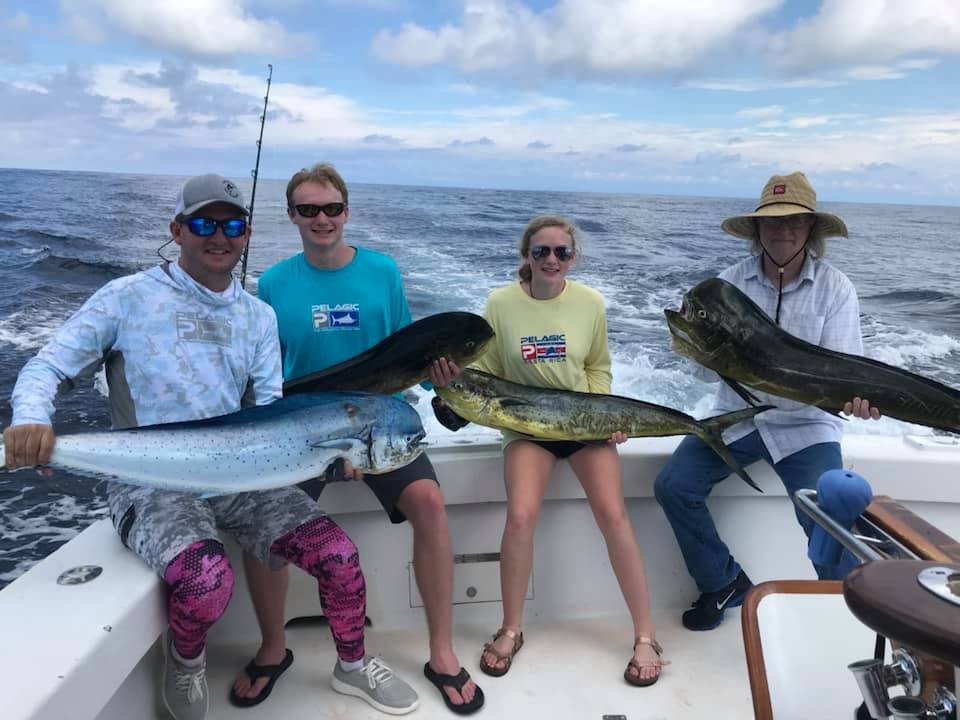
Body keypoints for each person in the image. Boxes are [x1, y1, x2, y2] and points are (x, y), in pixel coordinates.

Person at [3, 174, 419, 720]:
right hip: (149, 479)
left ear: (246, 233)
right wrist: (31, 419)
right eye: (203, 223)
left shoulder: (257, 315)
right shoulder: (126, 297)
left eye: (233, 224)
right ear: (177, 230)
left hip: (243, 472)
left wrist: (333, 457)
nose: (218, 236)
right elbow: (49, 365)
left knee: (339, 557)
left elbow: (273, 410)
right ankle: (187, 660)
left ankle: (352, 665)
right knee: (205, 580)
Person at [231, 163, 484, 715]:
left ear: (348, 211)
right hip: (302, 429)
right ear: (292, 215)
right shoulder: (273, 282)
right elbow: (268, 371)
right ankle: (274, 648)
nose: (322, 219)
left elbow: (404, 357)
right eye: (308, 209)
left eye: (332, 208)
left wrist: (441, 382)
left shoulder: (383, 272)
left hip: (379, 421)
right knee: (260, 522)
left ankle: (441, 652)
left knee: (431, 504)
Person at [429, 215, 668, 687]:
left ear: (573, 256)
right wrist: (450, 388)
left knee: (614, 516)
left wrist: (605, 416)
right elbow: (489, 371)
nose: (552, 260)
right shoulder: (500, 303)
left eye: (561, 252)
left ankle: (645, 634)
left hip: (582, 425)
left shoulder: (590, 303)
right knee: (519, 516)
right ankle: (511, 628)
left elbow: (598, 366)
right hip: (526, 429)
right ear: (527, 257)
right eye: (541, 252)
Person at [654, 171, 882, 632]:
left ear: (811, 230)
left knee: (826, 515)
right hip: (735, 417)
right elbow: (700, 372)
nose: (783, 230)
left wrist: (856, 402)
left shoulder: (835, 288)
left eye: (794, 221)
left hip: (805, 425)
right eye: (772, 222)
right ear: (756, 230)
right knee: (674, 485)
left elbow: (843, 371)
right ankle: (722, 582)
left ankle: (843, 613)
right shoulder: (726, 285)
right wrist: (697, 346)